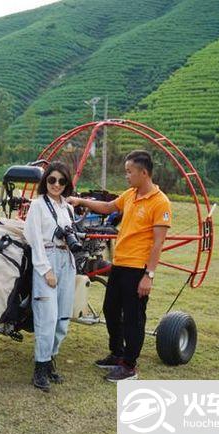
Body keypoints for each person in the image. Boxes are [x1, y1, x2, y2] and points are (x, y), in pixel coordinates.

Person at [68, 150, 171, 382]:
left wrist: (149, 276)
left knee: (134, 318)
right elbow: (108, 208)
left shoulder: (160, 202)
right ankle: (117, 353)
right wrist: (80, 201)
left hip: (138, 269)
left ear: (143, 173)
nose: (127, 176)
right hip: (120, 265)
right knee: (111, 310)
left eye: (129, 172)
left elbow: (158, 243)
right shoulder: (131, 194)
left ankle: (129, 366)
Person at [24, 161, 77, 392]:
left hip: (68, 262)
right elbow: (33, 238)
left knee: (62, 318)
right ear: (45, 181)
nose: (56, 184)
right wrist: (45, 270)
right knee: (47, 316)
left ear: (67, 184)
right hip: (47, 259)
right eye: (52, 180)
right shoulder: (37, 206)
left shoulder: (68, 208)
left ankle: (51, 360)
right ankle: (40, 368)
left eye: (61, 181)